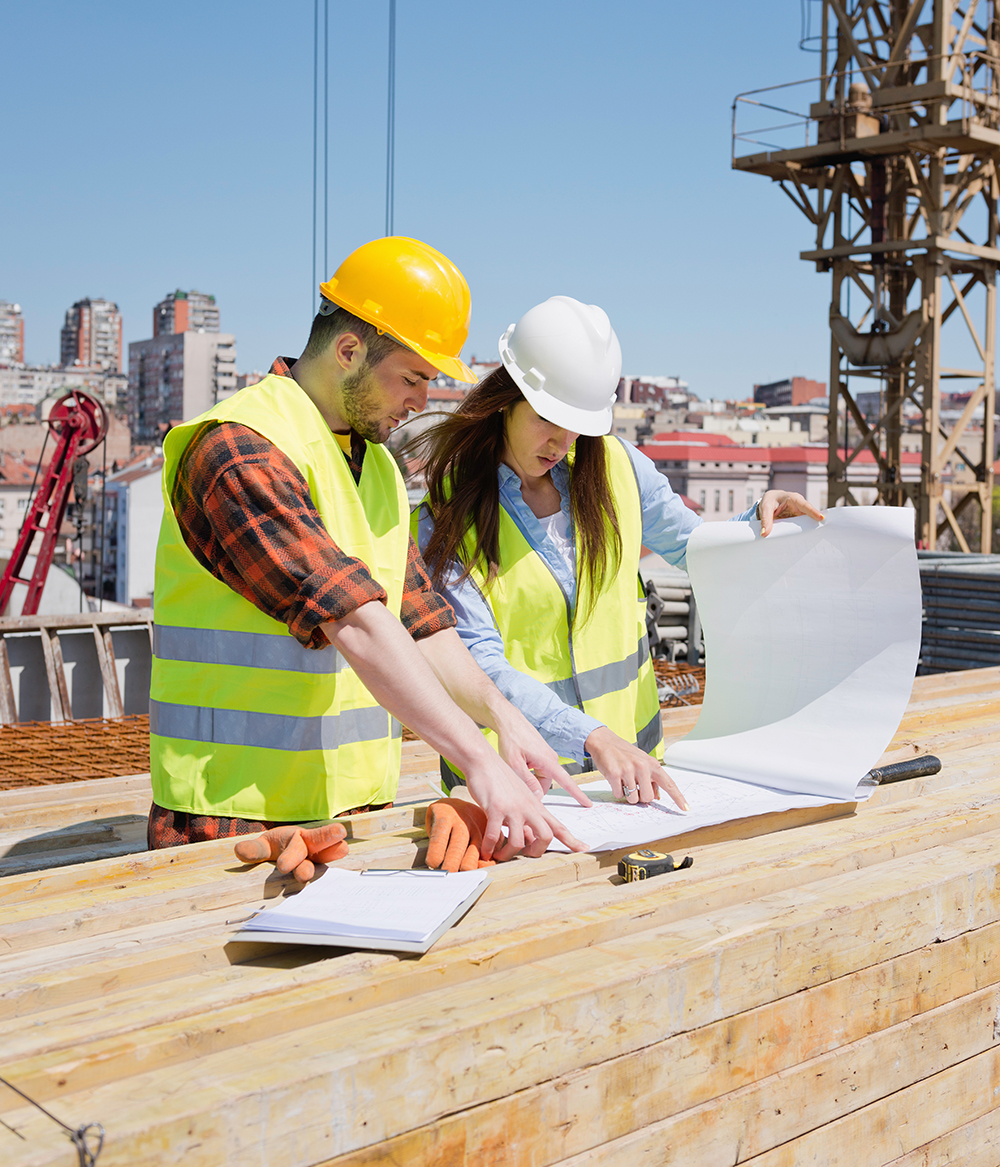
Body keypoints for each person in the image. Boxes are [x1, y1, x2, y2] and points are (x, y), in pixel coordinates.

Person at [148, 239, 590, 881]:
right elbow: (352, 617)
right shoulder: (238, 450)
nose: (421, 400)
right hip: (231, 823)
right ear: (349, 349)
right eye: (413, 377)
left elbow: (421, 619)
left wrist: (502, 721)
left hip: (346, 815)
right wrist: (477, 761)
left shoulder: (375, 465)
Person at [413, 295, 824, 815]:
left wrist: (757, 523)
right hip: (517, 785)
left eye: (575, 425)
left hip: (631, 774)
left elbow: (693, 548)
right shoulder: (445, 518)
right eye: (546, 418)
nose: (560, 442)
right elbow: (478, 667)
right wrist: (593, 737)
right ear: (506, 399)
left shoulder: (618, 468)